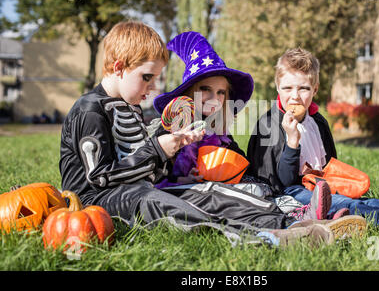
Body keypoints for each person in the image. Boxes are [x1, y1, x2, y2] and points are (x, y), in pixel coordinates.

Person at [59, 22, 360, 248]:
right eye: (147, 78)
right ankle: (262, 238)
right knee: (156, 199)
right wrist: (159, 149)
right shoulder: (90, 109)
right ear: (119, 68)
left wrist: (173, 164)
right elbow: (99, 176)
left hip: (136, 188)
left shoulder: (130, 107)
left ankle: (300, 224)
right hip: (95, 202)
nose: (151, 88)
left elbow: (146, 168)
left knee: (213, 194)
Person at [247, 46, 379, 228]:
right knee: (348, 205)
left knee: (364, 202)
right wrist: (292, 142)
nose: (295, 96)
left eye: (304, 88)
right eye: (287, 88)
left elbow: (329, 164)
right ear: (277, 87)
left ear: (315, 89)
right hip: (293, 195)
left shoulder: (317, 122)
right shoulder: (269, 125)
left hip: (319, 185)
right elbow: (280, 184)